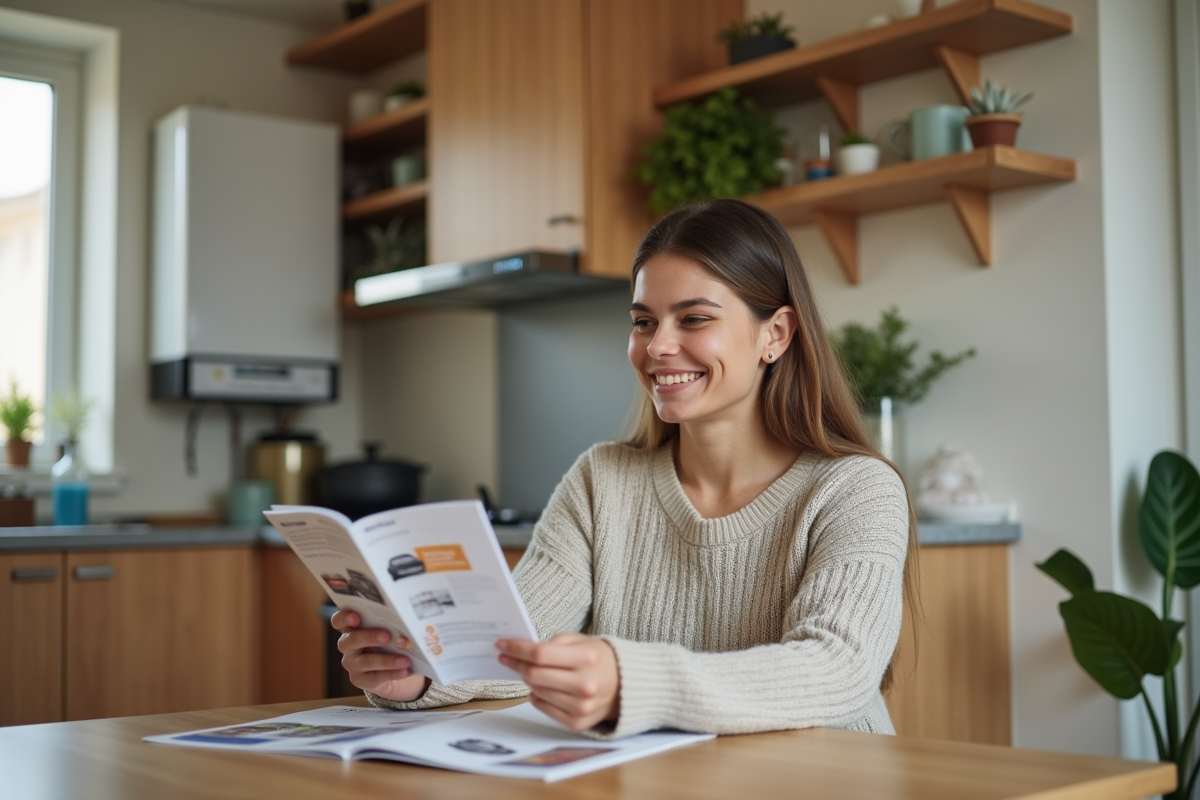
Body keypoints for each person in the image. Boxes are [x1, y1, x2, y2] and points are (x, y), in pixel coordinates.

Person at [332, 198, 917, 739]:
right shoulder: (601, 481)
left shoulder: (855, 489)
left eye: (694, 319)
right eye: (644, 321)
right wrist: (421, 676)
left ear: (776, 334)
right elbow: (515, 643)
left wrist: (630, 680)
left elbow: (837, 668)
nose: (657, 346)